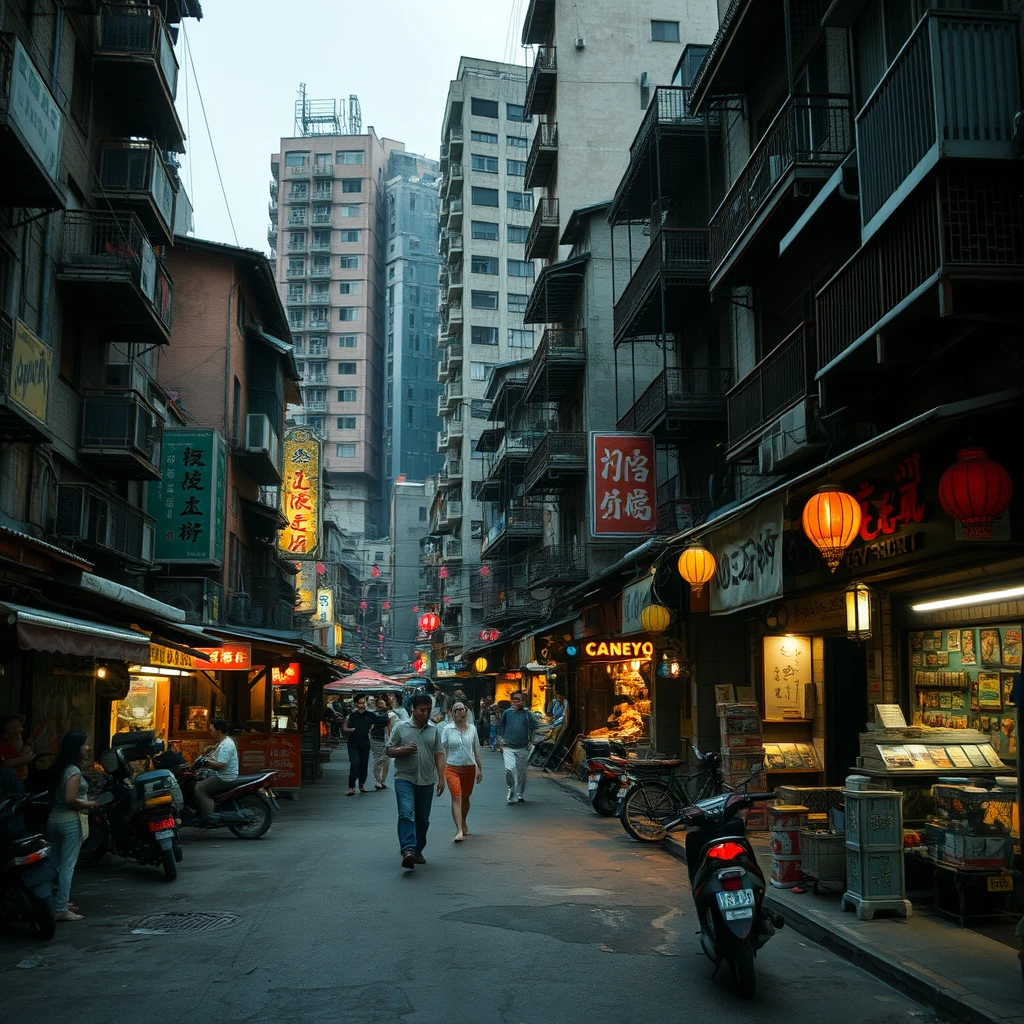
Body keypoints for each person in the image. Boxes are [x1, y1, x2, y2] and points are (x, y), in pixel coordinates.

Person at [386, 693, 445, 869]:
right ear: (413, 709)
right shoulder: (400, 727)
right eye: (422, 710)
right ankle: (408, 850)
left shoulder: (433, 729)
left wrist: (441, 778)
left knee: (423, 819)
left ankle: (418, 850)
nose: (425, 714)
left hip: (426, 780)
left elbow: (439, 754)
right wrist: (402, 749)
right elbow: (389, 750)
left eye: (428, 710)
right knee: (406, 813)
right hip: (404, 777)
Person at [47, 731, 98, 922]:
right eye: (85, 744)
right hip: (69, 822)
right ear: (76, 747)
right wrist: (89, 804)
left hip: (54, 820)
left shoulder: (60, 768)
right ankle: (60, 908)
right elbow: (70, 800)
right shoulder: (73, 771)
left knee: (56, 865)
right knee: (67, 867)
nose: (88, 748)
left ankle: (58, 900)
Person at [440, 702, 483, 842]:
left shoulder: (472, 729)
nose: (459, 712)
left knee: (465, 798)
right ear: (452, 714)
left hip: (469, 767)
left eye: (461, 709)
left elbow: (476, 748)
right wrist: (440, 771)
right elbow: (442, 750)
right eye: (455, 710)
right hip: (452, 767)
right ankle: (459, 829)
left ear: (466, 712)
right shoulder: (447, 729)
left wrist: (479, 768)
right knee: (456, 797)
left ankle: (463, 820)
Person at [497, 691, 538, 804]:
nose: (519, 702)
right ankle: (511, 788)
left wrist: (532, 740)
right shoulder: (507, 713)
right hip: (508, 747)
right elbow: (501, 728)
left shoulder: (527, 714)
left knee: (521, 773)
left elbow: (535, 727)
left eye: (521, 700)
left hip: (522, 747)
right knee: (510, 769)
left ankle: (519, 793)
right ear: (512, 701)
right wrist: (500, 743)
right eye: (516, 699)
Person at [195, 718, 238, 818]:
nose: (211, 732)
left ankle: (210, 814)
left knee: (198, 788)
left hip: (224, 777)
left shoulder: (226, 745)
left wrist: (207, 762)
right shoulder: (222, 742)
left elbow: (220, 765)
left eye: (212, 730)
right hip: (220, 775)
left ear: (218, 731)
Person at [343, 693, 376, 795]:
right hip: (353, 743)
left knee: (363, 765)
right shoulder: (351, 715)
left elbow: (374, 726)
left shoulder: (370, 715)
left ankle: (362, 785)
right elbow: (344, 728)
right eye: (361, 702)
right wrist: (350, 729)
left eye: (364, 702)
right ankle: (352, 786)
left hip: (365, 743)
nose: (363, 704)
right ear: (356, 704)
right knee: (354, 763)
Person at [0, 714, 36, 787]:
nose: (18, 734)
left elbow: (20, 753)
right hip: (11, 784)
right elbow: (5, 764)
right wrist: (25, 759)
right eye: (15, 731)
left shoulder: (14, 742)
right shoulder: (2, 744)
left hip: (22, 779)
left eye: (20, 730)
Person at [370, 694, 392, 790]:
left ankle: (380, 781)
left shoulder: (385, 714)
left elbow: (389, 728)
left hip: (380, 738)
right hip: (379, 738)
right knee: (381, 760)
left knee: (381, 760)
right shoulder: (383, 715)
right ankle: (379, 781)